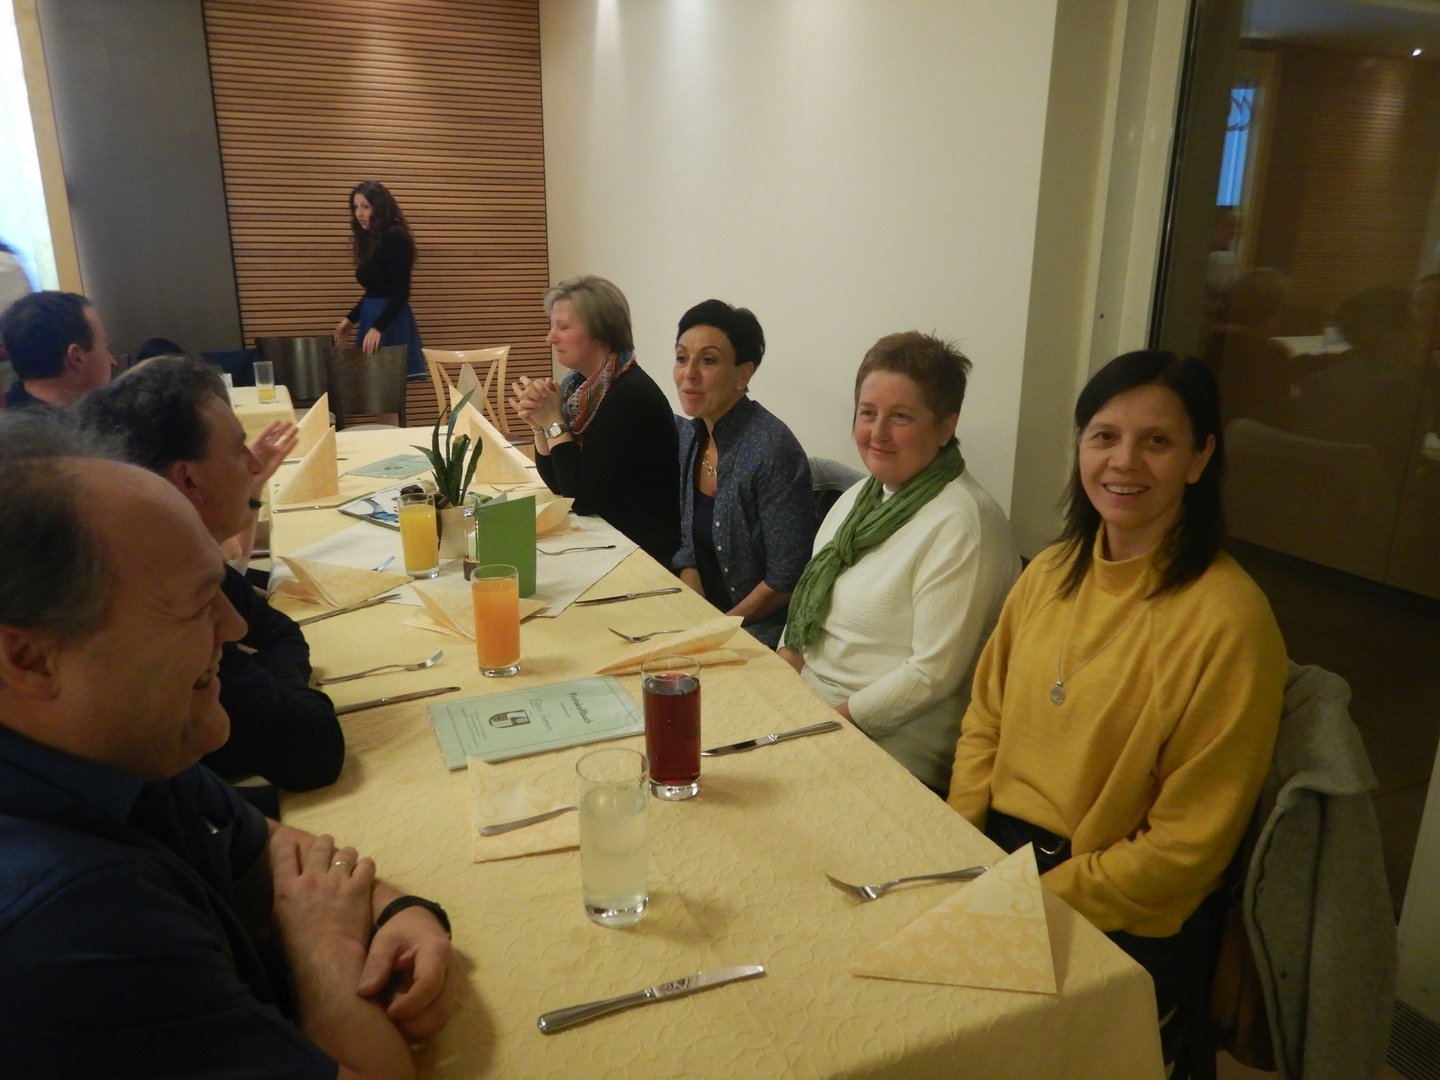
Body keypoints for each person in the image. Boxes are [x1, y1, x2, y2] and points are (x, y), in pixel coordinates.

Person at [0, 410, 455, 1076]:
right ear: (30, 659)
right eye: (195, 605)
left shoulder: (116, 748)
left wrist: (398, 910)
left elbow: (264, 841)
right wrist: (324, 955)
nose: (235, 625)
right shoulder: (70, 920)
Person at [948, 350, 1287, 1076]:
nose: (1124, 461)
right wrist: (963, 846)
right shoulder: (1050, 570)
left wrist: (1032, 899)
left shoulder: (1230, 620)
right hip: (1000, 855)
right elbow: (985, 720)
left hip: (1121, 906)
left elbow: (1185, 849)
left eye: (1156, 441)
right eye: (1104, 436)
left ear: (1200, 458)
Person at [79, 355, 341, 792]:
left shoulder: (187, 563)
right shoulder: (161, 603)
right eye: (239, 450)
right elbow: (315, 749)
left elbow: (281, 633)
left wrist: (269, 679)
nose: (254, 466)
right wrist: (279, 684)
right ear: (188, 481)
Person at [779, 332, 1020, 794]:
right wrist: (775, 689)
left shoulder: (963, 523)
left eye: (901, 417)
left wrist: (824, 727)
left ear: (946, 426)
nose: (878, 433)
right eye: (868, 413)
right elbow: (802, 617)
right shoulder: (859, 497)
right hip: (813, 711)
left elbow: (930, 676)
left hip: (892, 746)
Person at [671, 299, 814, 648]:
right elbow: (689, 546)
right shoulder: (693, 435)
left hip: (764, 628)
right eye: (682, 358)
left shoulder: (772, 450)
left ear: (743, 374)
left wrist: (719, 628)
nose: (689, 373)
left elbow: (785, 582)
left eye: (708, 360)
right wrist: (695, 614)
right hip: (711, 618)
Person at [509, 274, 680, 565]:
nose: (550, 337)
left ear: (601, 332)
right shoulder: (580, 387)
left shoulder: (629, 397)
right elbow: (558, 484)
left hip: (642, 551)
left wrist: (554, 422)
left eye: (563, 327)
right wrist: (540, 424)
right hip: (609, 534)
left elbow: (580, 498)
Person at [334, 180, 424, 379]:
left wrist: (378, 328)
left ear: (379, 208)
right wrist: (350, 320)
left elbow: (401, 293)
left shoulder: (395, 237)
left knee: (385, 389)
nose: (359, 213)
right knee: (373, 388)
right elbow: (374, 291)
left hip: (389, 320)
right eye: (356, 207)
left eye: (365, 207)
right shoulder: (373, 239)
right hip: (372, 315)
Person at [1, 290, 117, 409]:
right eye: (105, 347)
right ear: (77, 358)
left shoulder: (10, 412)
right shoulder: (96, 416)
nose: (113, 362)